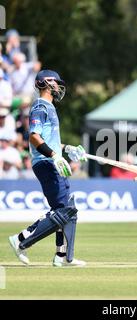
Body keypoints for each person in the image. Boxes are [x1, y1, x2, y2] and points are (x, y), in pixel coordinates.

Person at [9, 69, 87, 267]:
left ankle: (63, 257)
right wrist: (54, 156)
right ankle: (21, 239)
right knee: (63, 210)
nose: (59, 86)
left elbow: (48, 140)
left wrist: (67, 149)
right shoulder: (39, 106)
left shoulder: (49, 107)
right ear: (45, 82)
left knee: (67, 208)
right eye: (56, 82)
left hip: (52, 161)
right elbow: (34, 137)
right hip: (46, 163)